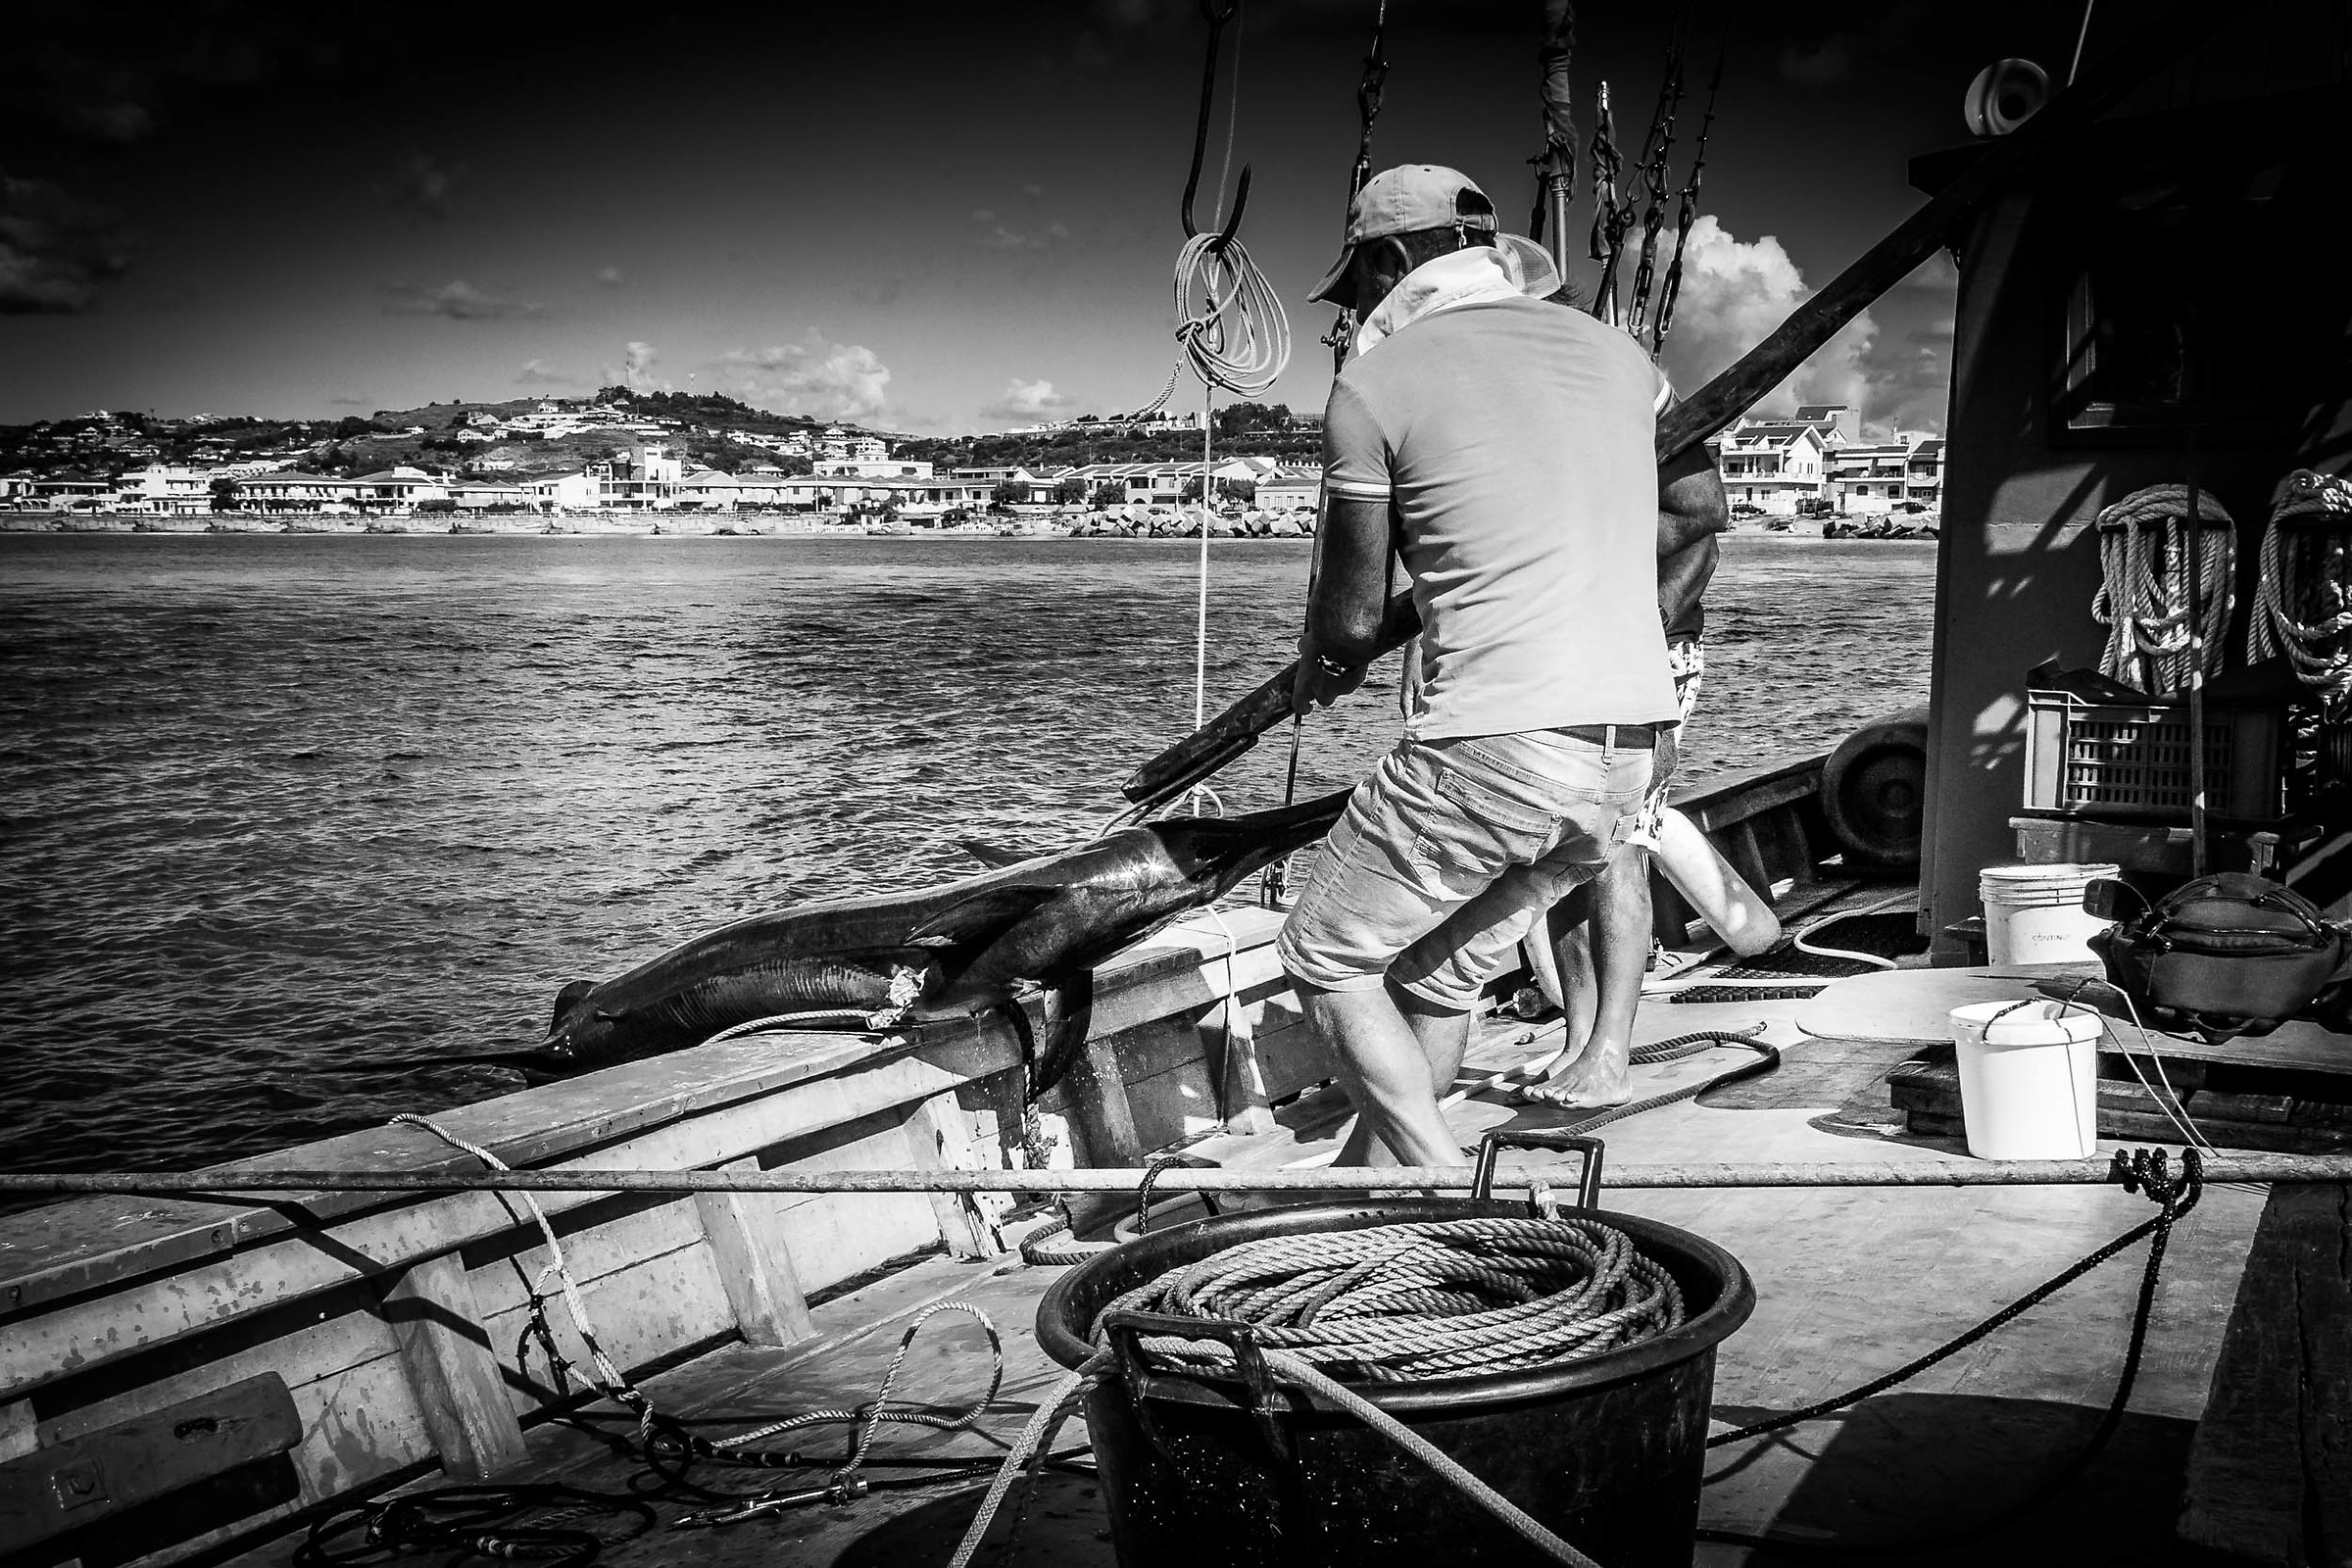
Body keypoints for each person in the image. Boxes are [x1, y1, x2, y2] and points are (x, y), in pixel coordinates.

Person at [1275, 163, 1697, 1169]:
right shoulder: (1624, 359)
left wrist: (1321, 663)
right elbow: (1691, 513)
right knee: (1428, 977)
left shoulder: (1372, 385)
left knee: (1324, 953)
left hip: (1496, 748)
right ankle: (1370, 1196)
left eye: (1360, 288)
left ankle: (1444, 1191)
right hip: (1626, 754)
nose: (1357, 312)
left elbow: (1346, 624)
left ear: (1389, 260)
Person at [1519, 435, 1728, 1107]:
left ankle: (1610, 1050)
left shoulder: (1665, 445)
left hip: (1648, 657)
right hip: (1563, 657)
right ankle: (1579, 1040)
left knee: (1616, 848)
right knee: (1563, 848)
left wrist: (1652, 713)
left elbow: (1698, 543)